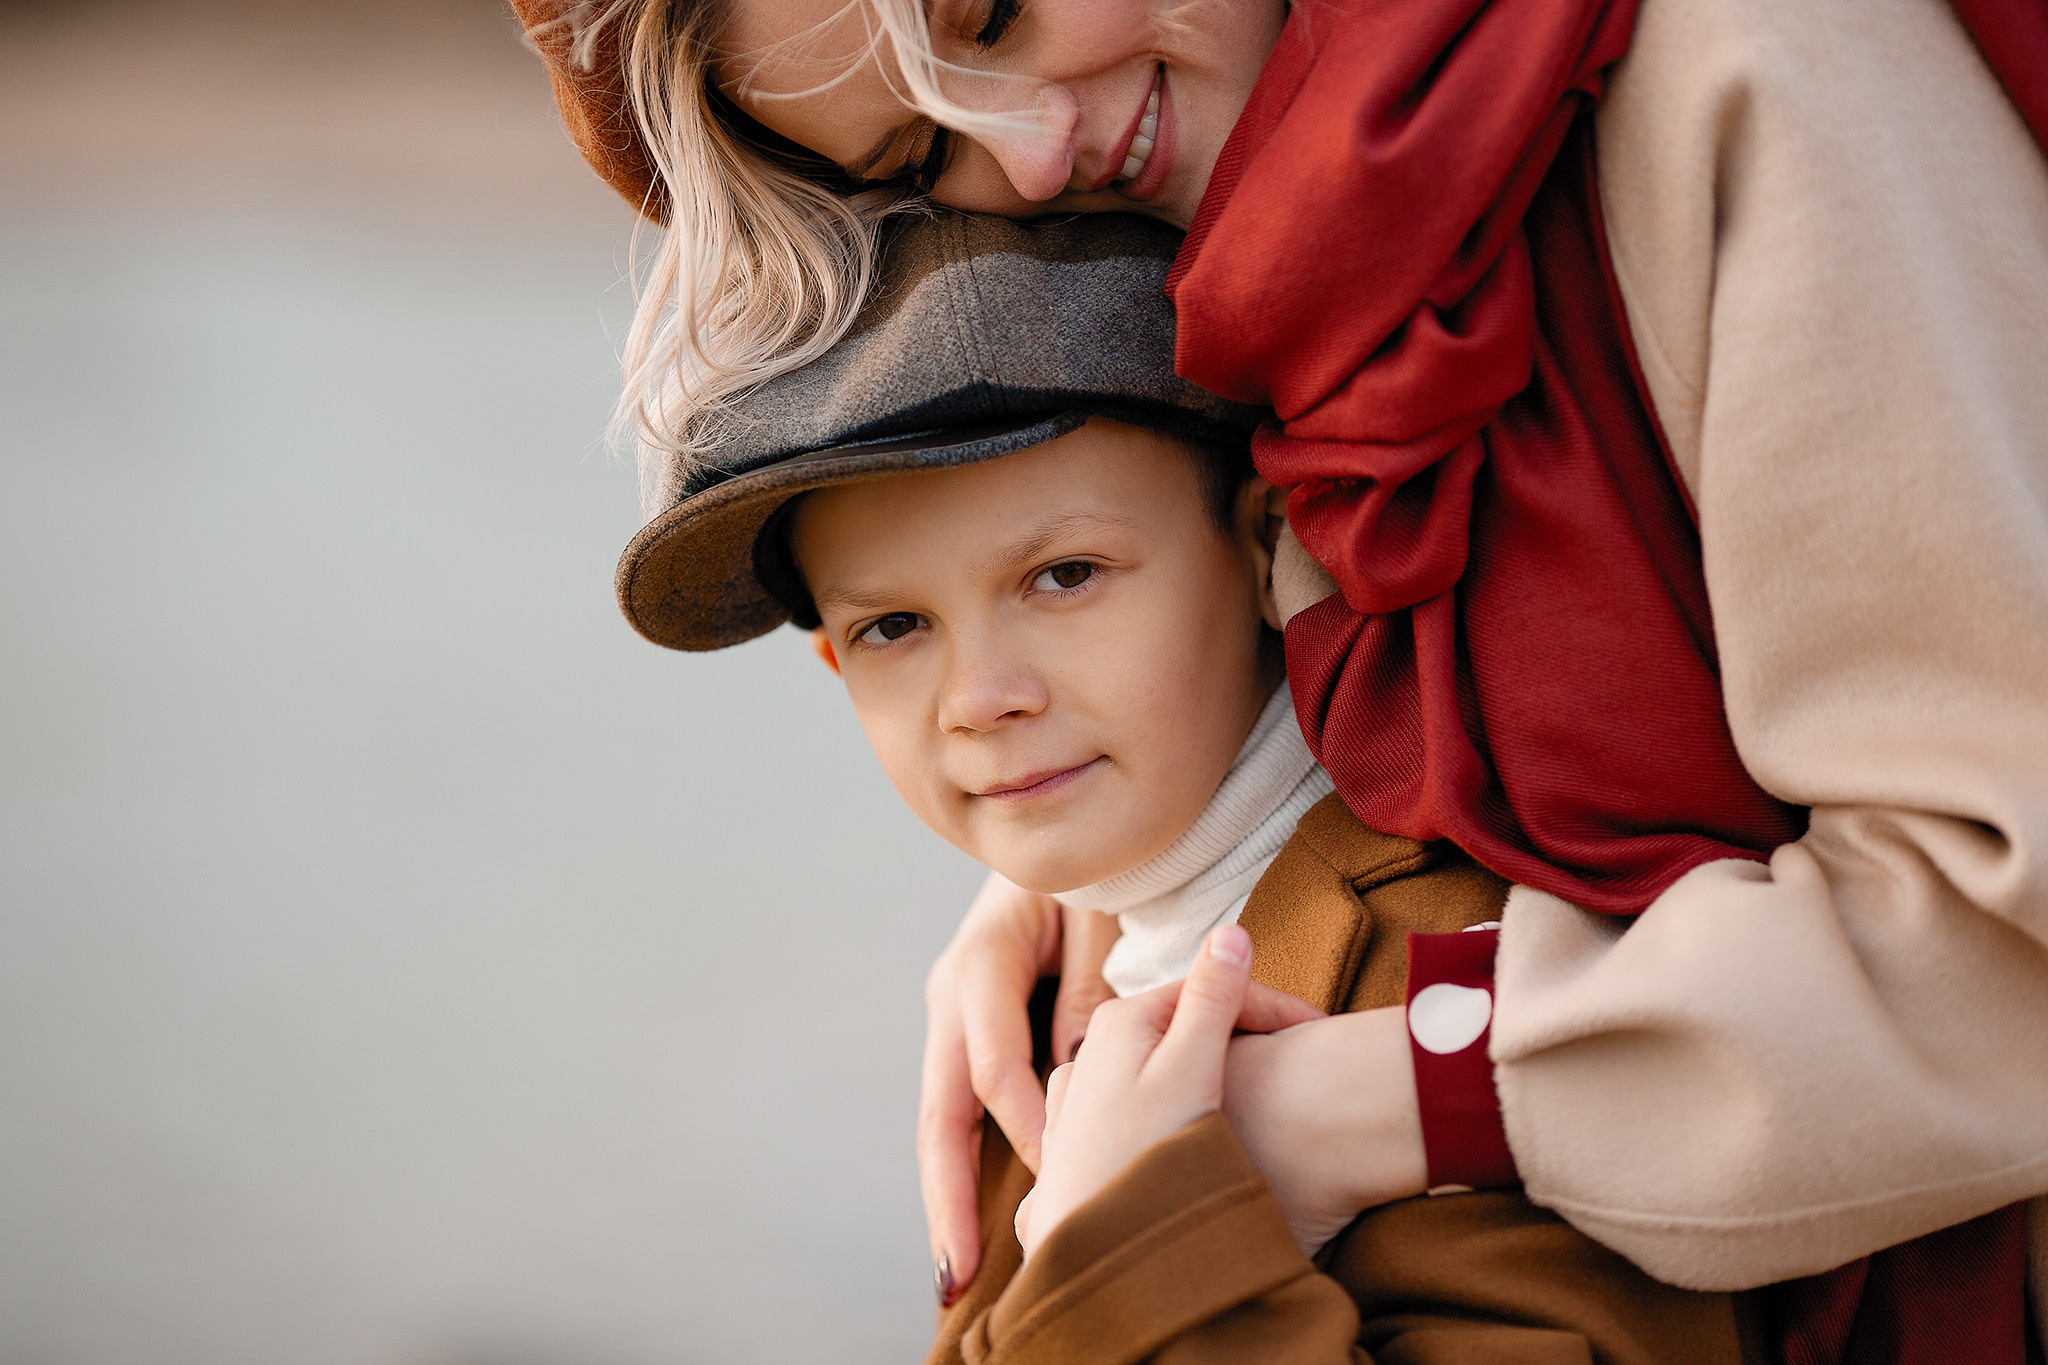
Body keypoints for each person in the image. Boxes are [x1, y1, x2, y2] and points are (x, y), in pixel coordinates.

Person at [512, 0, 2048, 1357]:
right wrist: (1099, 877)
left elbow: (2010, 916)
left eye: (988, 14)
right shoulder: (1283, 233)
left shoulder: (1751, 59)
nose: (1034, 158)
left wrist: (1338, 1116)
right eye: (919, 154)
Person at [618, 205, 1759, 1363]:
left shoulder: (1459, 957)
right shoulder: (1025, 1004)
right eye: (892, 626)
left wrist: (1127, 1255)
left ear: (1268, 551)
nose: (980, 695)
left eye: (1064, 575)